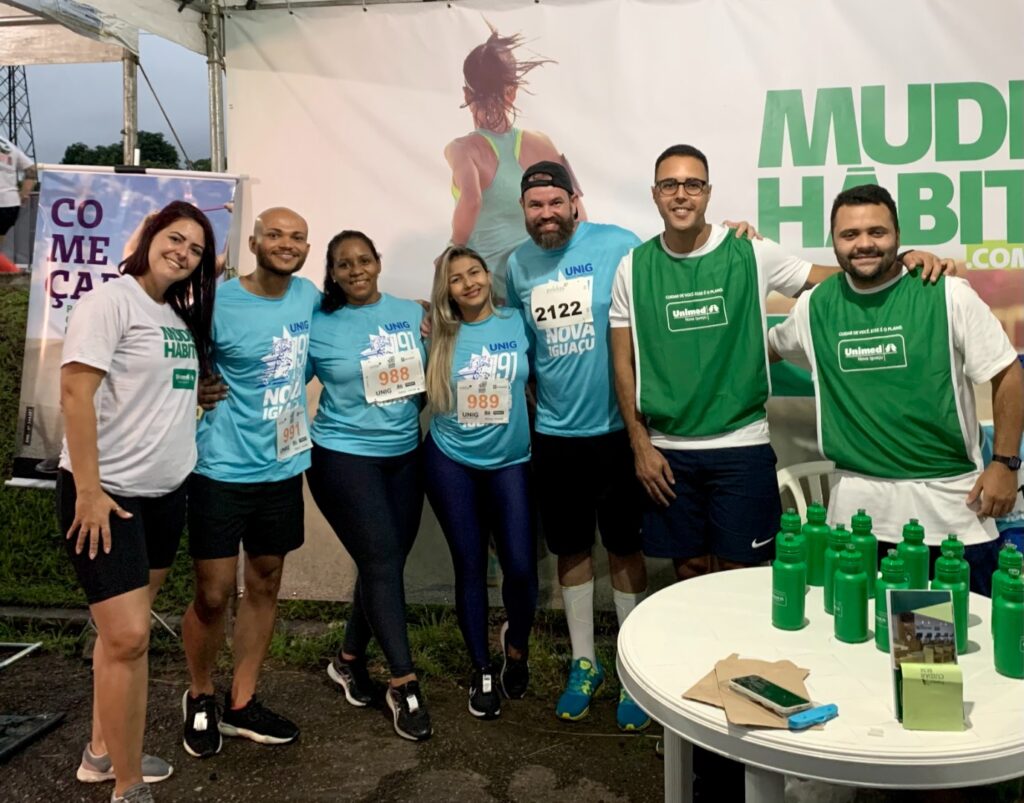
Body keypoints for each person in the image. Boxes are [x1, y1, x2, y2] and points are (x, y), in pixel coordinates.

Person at [609, 144, 954, 581]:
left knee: (740, 573)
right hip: (668, 451)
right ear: (655, 193)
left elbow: (830, 278)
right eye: (669, 185)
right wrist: (640, 445)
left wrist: (899, 262)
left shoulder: (750, 251)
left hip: (741, 444)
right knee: (689, 571)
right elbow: (623, 364)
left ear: (708, 192)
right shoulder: (633, 268)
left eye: (692, 184)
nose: (681, 194)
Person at [768, 183, 1023, 581]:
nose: (864, 244)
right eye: (850, 234)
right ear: (833, 241)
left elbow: (1008, 375)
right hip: (855, 519)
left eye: (877, 232)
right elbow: (763, 351)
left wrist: (1005, 464)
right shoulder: (813, 307)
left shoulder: (946, 293)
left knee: (952, 623)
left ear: (898, 236)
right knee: (854, 620)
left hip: (950, 516)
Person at [58, 201, 217, 803]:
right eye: (175, 238)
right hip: (109, 498)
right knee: (128, 637)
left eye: (196, 248)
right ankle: (127, 786)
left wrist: (198, 392)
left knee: (120, 635)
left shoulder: (173, 314)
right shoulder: (110, 301)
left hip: (164, 496)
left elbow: (155, 385)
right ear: (150, 236)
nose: (184, 253)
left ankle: (103, 751)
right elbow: (75, 393)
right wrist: (89, 491)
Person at [181, 207, 319, 758]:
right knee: (213, 594)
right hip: (219, 469)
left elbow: (347, 327)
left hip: (282, 469)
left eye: (298, 237)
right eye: (275, 235)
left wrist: (421, 314)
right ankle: (199, 695)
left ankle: (241, 703)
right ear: (255, 243)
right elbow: (173, 362)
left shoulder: (307, 296)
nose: (287, 244)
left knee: (264, 583)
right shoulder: (217, 303)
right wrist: (194, 388)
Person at [305, 230, 432, 741]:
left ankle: (348, 659)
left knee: (386, 562)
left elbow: (426, 383)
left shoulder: (410, 313)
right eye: (344, 264)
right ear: (332, 273)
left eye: (363, 260)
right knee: (381, 561)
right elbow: (282, 380)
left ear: (377, 263)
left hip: (404, 456)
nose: (355, 270)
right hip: (342, 457)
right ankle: (403, 682)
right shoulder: (318, 323)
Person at [423, 245, 535, 720]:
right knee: (469, 567)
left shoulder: (517, 321)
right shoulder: (436, 332)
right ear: (446, 290)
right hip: (452, 462)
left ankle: (517, 647)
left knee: (521, 567)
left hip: (511, 461)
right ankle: (482, 668)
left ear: (489, 275)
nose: (468, 283)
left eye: (474, 272)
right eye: (456, 278)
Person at [445, 25, 585, 300]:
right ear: (512, 91)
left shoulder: (462, 149)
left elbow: (472, 200)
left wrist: (452, 251)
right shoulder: (542, 143)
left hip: (492, 294)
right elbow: (577, 210)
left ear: (466, 94)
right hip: (546, 286)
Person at [0, 135, 35, 272]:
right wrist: (24, 193)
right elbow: (31, 169)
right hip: (10, 203)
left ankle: (14, 273)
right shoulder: (8, 145)